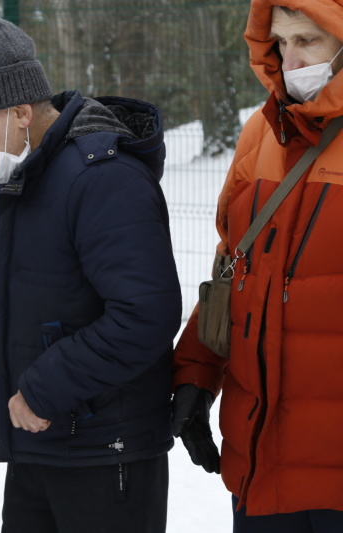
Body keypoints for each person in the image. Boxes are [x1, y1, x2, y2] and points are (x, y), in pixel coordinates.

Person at [0, 16, 182, 533]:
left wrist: (45, 386)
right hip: (41, 441)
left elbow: (146, 314)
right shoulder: (19, 172)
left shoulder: (104, 179)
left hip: (105, 453)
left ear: (19, 113)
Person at [172, 2, 343, 531]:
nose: (289, 60)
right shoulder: (262, 135)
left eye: (308, 41)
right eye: (280, 42)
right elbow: (233, 270)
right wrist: (196, 374)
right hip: (258, 461)